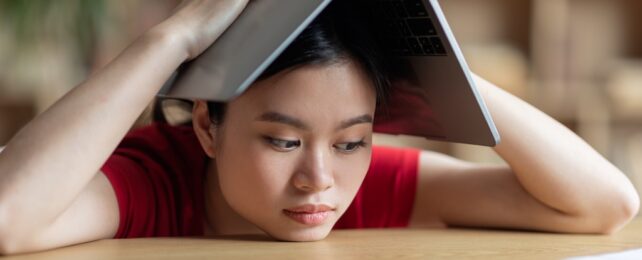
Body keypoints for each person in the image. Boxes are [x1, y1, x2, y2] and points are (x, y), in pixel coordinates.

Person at [0, 0, 639, 255]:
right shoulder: (147, 179)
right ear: (208, 126)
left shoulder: (356, 183)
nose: (319, 180)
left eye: (352, 140)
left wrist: (446, 72)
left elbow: (606, 205)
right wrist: (178, 37)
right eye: (283, 139)